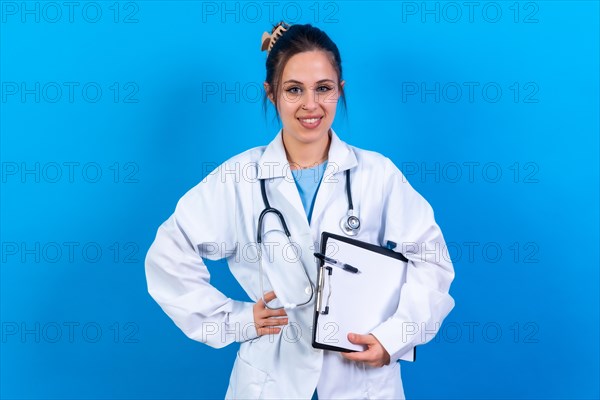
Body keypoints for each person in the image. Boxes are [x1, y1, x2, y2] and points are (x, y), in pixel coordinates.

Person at [145, 22, 455, 399]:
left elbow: (432, 261)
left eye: (323, 88)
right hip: (270, 379)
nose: (311, 105)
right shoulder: (239, 178)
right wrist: (237, 320)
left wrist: (395, 337)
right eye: (294, 90)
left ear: (339, 91)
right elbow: (168, 256)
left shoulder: (378, 175)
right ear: (272, 94)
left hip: (359, 378)